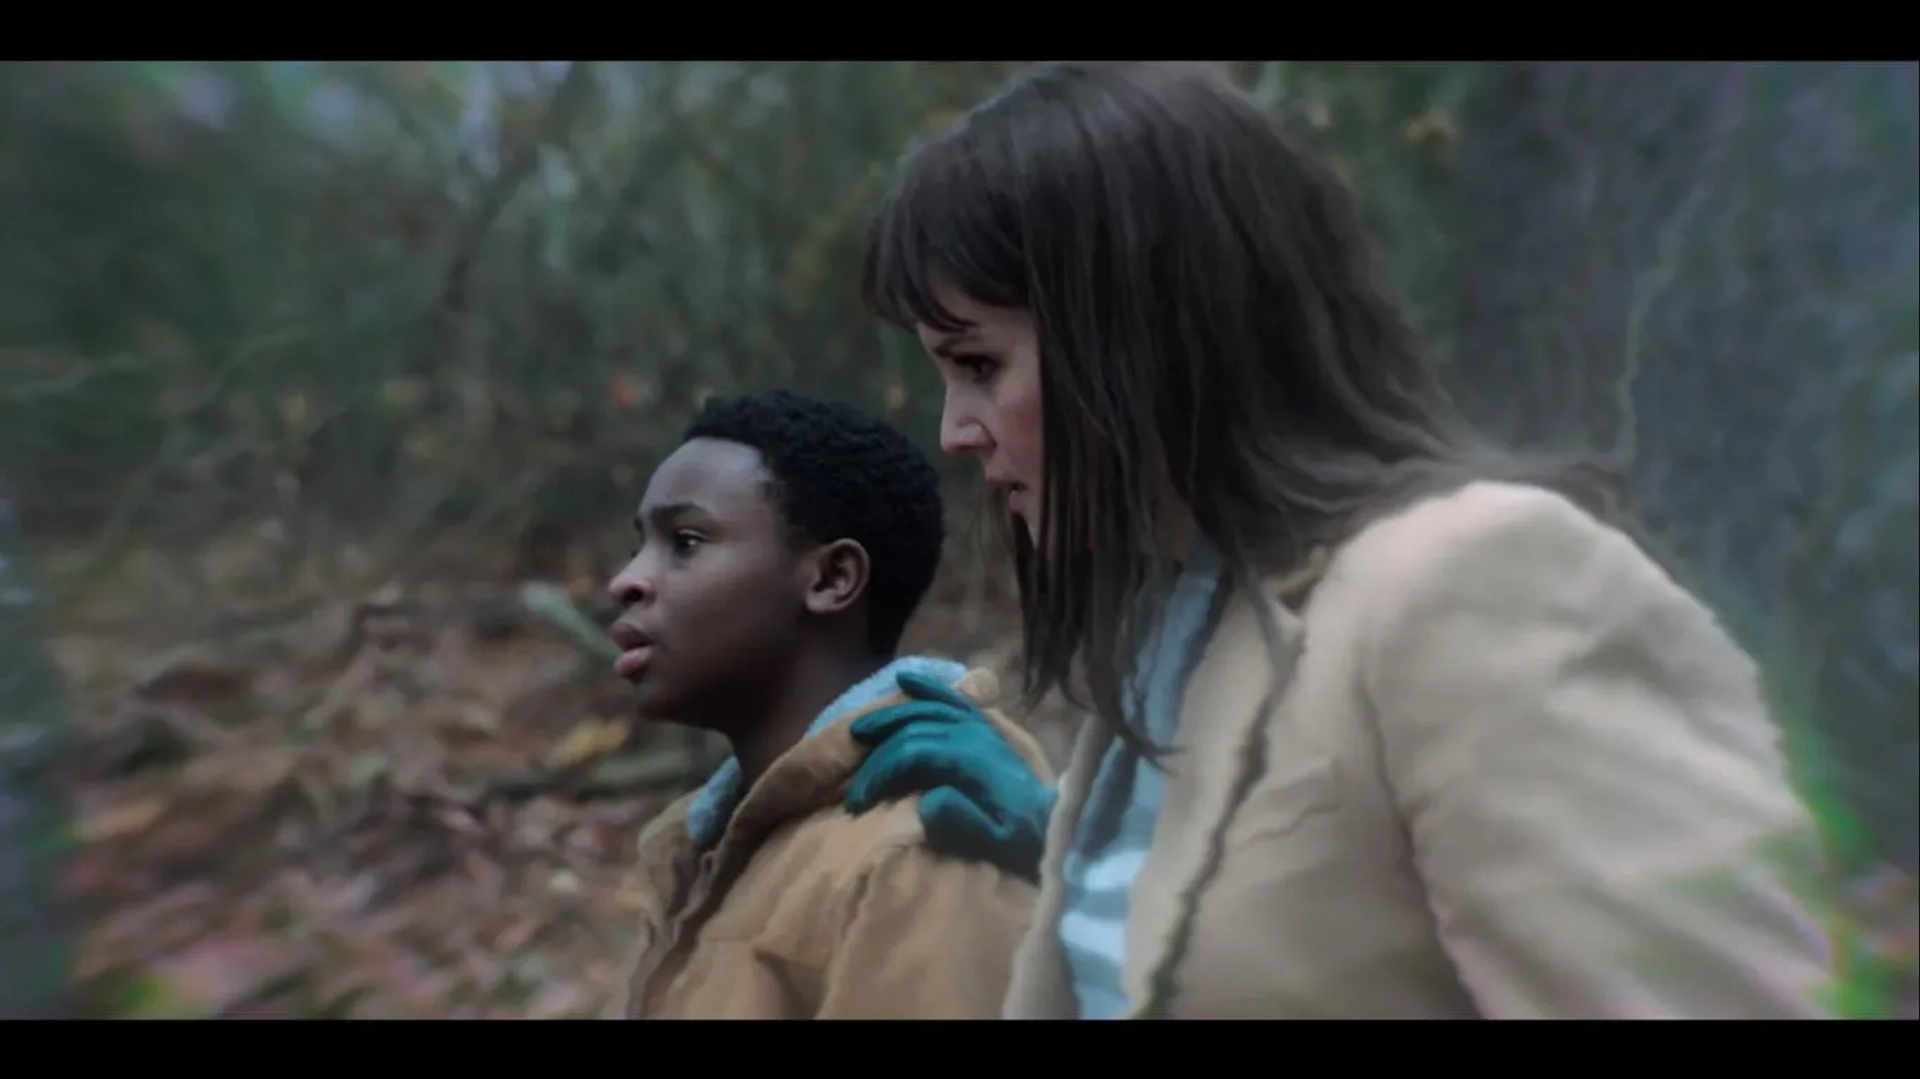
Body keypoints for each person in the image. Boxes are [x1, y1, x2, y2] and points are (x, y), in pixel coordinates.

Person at [838, 61, 1837, 1019]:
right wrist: (1065, 839)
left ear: (1141, 333)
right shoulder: (1181, 617)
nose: (953, 431)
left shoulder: (1477, 582)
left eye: (978, 363)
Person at [602, 389, 1048, 1020]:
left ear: (832, 579)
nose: (626, 580)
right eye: (639, 544)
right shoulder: (704, 853)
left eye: (687, 541)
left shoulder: (916, 852)